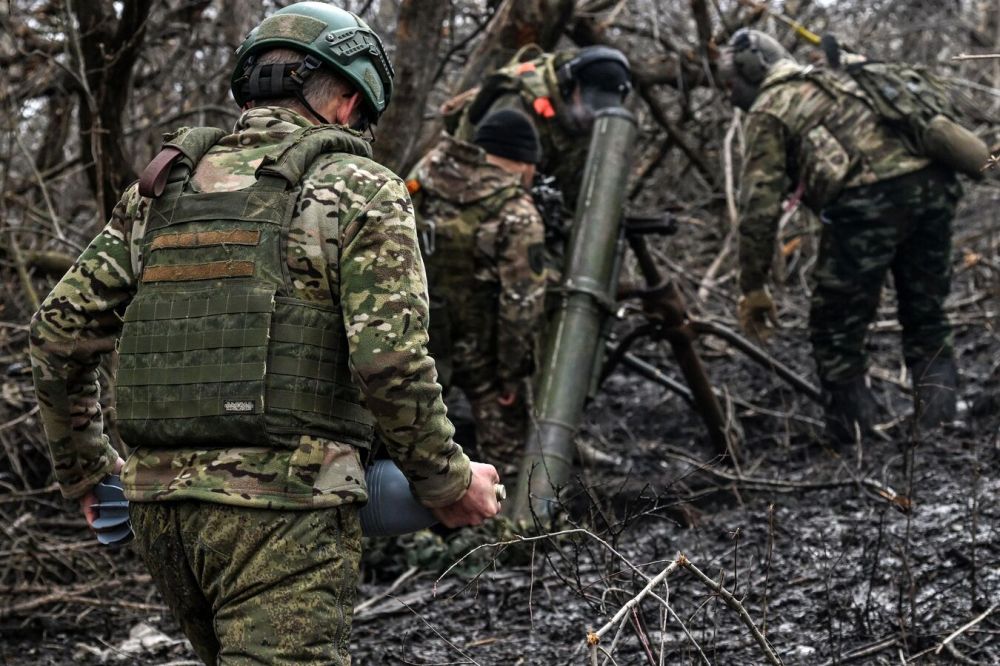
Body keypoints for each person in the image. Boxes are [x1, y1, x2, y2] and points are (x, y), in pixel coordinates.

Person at [29, 3, 501, 664]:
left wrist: (84, 470)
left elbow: (56, 332)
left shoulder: (161, 191)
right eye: (363, 113)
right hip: (284, 517)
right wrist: (449, 483)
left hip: (162, 515)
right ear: (344, 99)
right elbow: (389, 362)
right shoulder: (359, 188)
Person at [719, 29, 964, 442]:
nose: (729, 94)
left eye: (730, 82)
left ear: (751, 68)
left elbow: (758, 207)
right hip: (933, 186)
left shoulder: (771, 107)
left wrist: (753, 285)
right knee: (927, 315)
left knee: (835, 329)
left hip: (868, 202)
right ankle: (940, 425)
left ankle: (853, 438)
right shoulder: (838, 77)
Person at [408, 109, 547, 472]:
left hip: (413, 335)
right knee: (508, 456)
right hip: (480, 352)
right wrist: (511, 375)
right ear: (523, 162)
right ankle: (499, 524)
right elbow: (520, 307)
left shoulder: (427, 171)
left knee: (401, 439)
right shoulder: (517, 212)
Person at [447, 45, 632, 216]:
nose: (592, 117)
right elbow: (492, 185)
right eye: (590, 106)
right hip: (473, 190)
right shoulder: (517, 106)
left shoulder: (594, 122)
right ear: (569, 87)